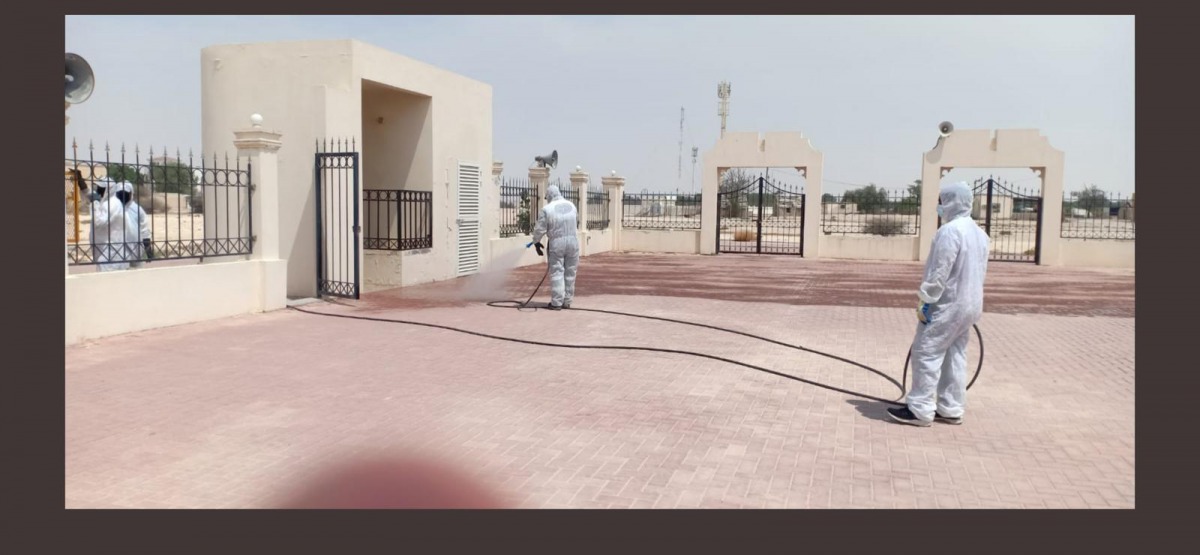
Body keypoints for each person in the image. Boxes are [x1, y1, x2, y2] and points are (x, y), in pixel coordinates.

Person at [887, 181, 989, 427]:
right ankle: (951, 407)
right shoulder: (979, 233)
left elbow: (938, 272)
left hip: (948, 305)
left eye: (942, 201)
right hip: (970, 305)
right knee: (955, 354)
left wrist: (926, 300)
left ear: (953, 201)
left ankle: (920, 408)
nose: (939, 206)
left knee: (926, 351)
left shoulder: (950, 232)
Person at [529, 184, 580, 310]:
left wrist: (536, 242)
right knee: (570, 272)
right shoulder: (571, 205)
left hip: (557, 243)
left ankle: (557, 302)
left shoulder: (547, 209)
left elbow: (540, 229)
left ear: (550, 195)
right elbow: (576, 222)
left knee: (557, 272)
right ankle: (567, 301)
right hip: (573, 242)